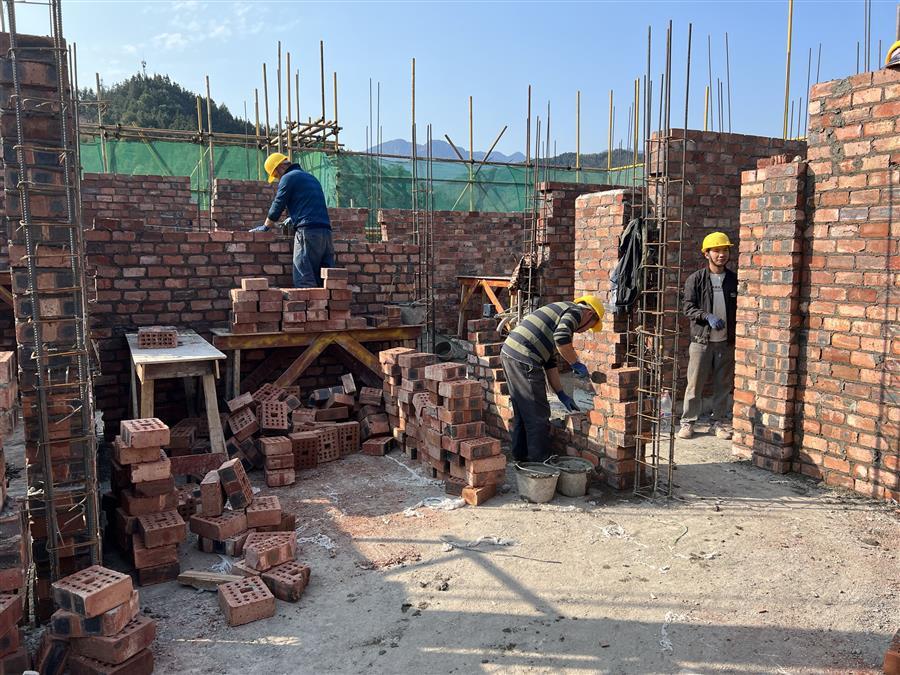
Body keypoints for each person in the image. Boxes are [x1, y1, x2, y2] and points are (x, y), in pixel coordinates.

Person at [500, 296, 604, 463]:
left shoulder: (559, 315)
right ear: (590, 314)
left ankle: (521, 456)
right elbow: (561, 338)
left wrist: (561, 394)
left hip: (511, 353)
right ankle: (540, 463)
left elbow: (550, 363)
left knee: (523, 409)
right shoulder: (576, 311)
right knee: (538, 413)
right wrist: (575, 363)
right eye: (590, 327)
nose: (585, 331)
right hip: (523, 356)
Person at [678, 232, 737, 440]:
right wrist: (707, 316)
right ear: (706, 254)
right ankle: (688, 422)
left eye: (725, 250)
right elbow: (688, 307)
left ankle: (717, 422)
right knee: (695, 384)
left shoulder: (733, 280)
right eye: (717, 250)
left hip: (725, 343)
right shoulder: (696, 279)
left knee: (723, 385)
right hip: (701, 342)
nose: (722, 254)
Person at [262, 152, 334, 288]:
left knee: (304, 280)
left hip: (308, 233)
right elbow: (308, 203)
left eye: (276, 175)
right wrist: (293, 217)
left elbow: (278, 204)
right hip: (326, 234)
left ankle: (309, 303)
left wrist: (266, 226)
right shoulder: (311, 177)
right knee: (326, 281)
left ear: (279, 167)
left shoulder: (288, 177)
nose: (278, 179)